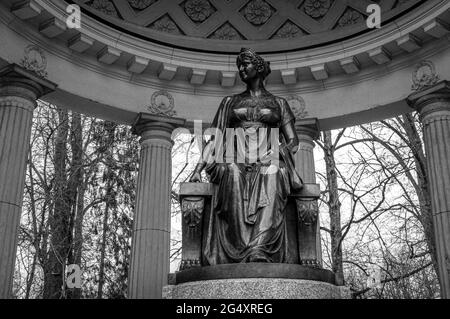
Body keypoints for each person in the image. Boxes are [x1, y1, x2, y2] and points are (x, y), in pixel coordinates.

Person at [190, 48, 303, 264]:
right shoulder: (229, 102)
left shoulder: (279, 103)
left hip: (269, 158)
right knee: (231, 171)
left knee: (274, 171)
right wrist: (197, 169)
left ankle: (259, 248)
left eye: (246, 64)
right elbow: (215, 138)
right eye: (239, 65)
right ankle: (239, 247)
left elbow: (293, 140)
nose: (241, 68)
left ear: (259, 67)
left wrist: (279, 150)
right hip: (236, 157)